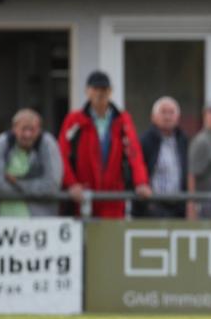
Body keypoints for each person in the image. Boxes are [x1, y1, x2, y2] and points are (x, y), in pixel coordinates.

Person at [58, 70, 151, 218]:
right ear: (87, 91)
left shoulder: (123, 120)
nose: (100, 94)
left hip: (113, 196)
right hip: (82, 195)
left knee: (111, 238)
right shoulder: (74, 120)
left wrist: (141, 182)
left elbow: (134, 154)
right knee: (85, 238)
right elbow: (62, 156)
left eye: (104, 89)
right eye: (95, 89)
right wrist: (71, 184)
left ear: (110, 91)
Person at [0, 109, 63, 216]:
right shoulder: (2, 143)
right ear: (14, 128)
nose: (27, 134)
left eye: (32, 129)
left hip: (40, 225)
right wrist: (33, 189)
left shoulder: (48, 144)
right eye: (23, 129)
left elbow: (51, 187)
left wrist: (16, 182)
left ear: (39, 129)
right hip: (0, 223)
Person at [135, 97, 189, 219]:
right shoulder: (145, 140)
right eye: (163, 112)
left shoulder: (183, 140)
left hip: (178, 206)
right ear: (153, 117)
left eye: (171, 113)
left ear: (178, 118)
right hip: (152, 206)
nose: (167, 117)